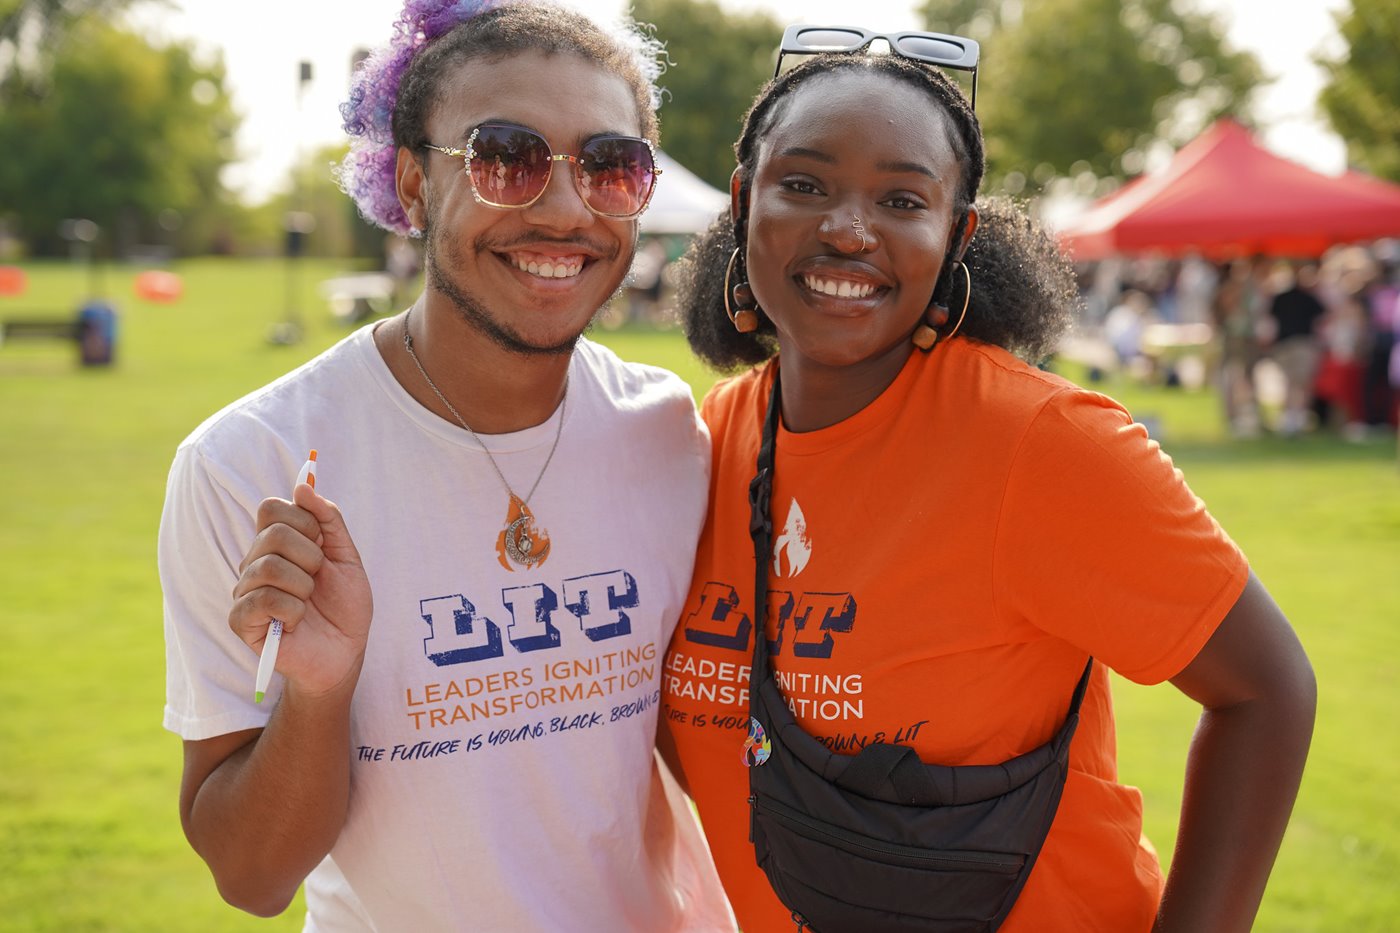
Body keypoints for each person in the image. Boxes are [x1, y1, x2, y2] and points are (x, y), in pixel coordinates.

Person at [658, 39, 1315, 933]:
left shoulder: (1043, 444)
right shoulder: (704, 443)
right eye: (804, 185)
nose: (849, 229)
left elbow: (1268, 690)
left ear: (957, 232)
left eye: (902, 199)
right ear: (744, 203)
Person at [158, 2, 733, 929]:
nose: (563, 209)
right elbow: (252, 877)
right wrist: (320, 688)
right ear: (415, 186)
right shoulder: (251, 467)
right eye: (508, 158)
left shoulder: (668, 433)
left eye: (610, 166)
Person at [1266, 261, 1327, 436]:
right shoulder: (1309, 298)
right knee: (1300, 384)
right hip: (1302, 344)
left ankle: (1290, 419)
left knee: (1290, 383)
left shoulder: (1280, 298)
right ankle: (1295, 420)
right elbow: (1324, 316)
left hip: (1283, 344)